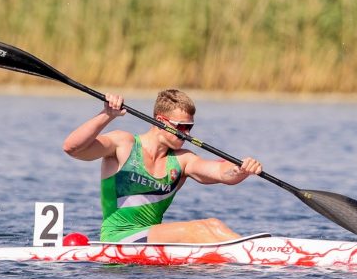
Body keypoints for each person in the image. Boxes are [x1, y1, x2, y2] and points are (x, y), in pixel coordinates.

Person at [63, 88, 262, 243]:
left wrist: (241, 168)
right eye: (181, 127)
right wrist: (108, 114)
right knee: (198, 229)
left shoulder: (182, 160)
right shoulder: (123, 144)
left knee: (213, 224)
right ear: (160, 121)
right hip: (118, 239)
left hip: (150, 242)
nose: (186, 134)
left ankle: (254, 252)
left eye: (189, 127)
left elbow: (220, 173)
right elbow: (72, 148)